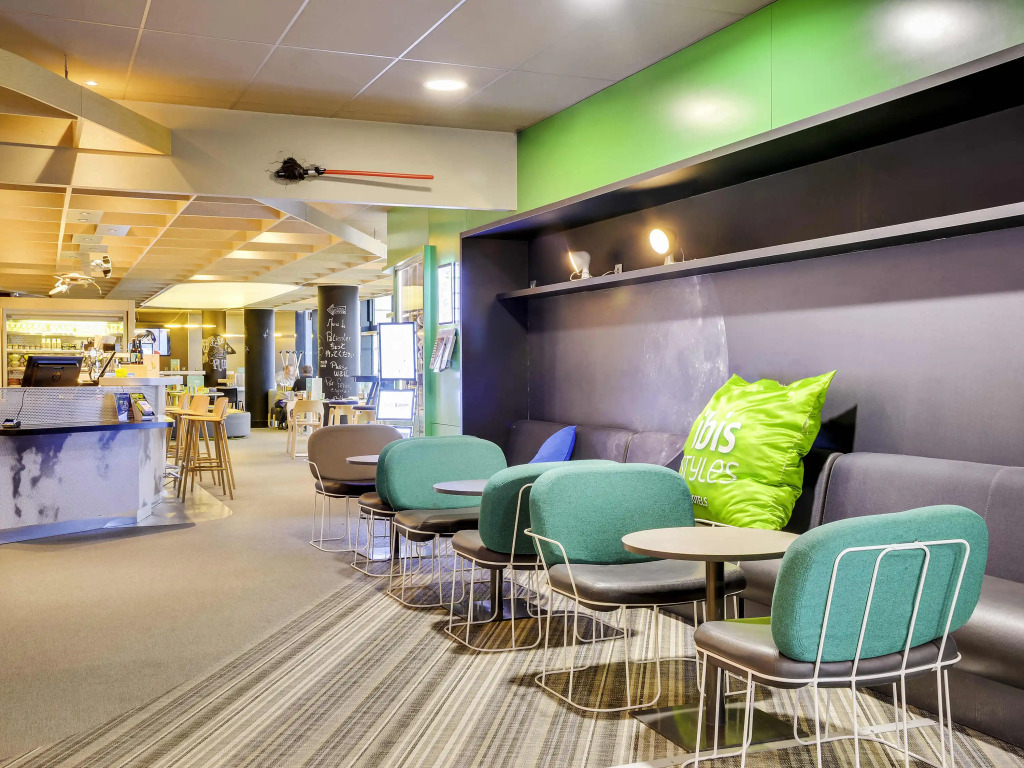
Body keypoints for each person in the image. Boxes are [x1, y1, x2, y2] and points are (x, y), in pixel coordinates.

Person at [271, 365, 296, 429]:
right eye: (289, 370)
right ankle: (282, 423)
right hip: (280, 401)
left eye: (291, 371)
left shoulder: (293, 380)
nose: (290, 372)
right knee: (286, 405)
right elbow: (277, 380)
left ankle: (287, 423)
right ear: (285, 370)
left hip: (289, 401)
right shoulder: (280, 379)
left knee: (289, 405)